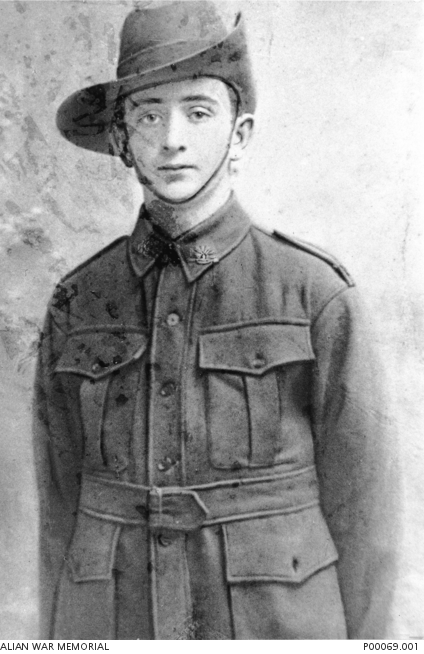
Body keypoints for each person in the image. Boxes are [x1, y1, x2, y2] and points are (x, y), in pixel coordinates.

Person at [34, 0, 399, 640]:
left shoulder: (313, 293)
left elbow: (365, 516)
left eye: (198, 112)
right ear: (121, 140)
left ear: (241, 133)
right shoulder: (78, 302)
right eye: (148, 114)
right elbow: (58, 511)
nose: (172, 138)